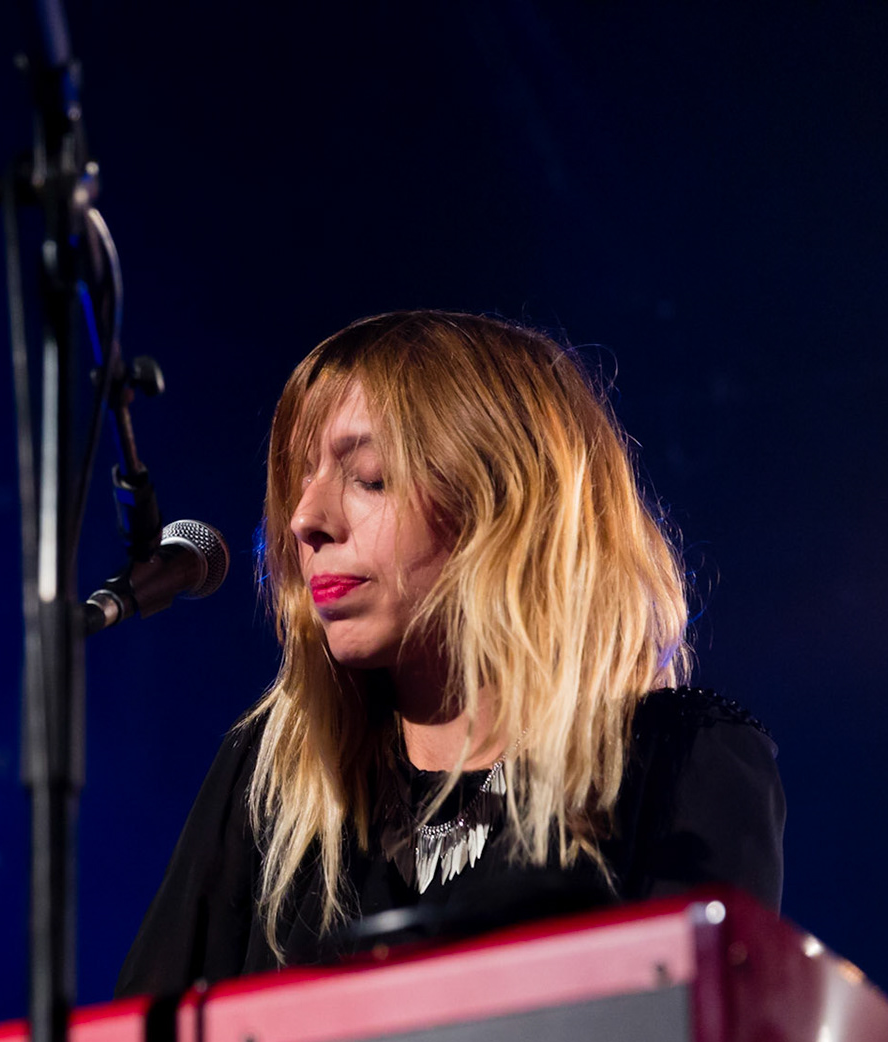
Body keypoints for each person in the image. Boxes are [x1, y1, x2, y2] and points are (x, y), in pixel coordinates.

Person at [116, 311, 784, 998]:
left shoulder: (679, 760)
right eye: (301, 479)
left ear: (508, 505)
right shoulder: (270, 774)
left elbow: (701, 1041)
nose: (305, 519)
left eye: (369, 477)